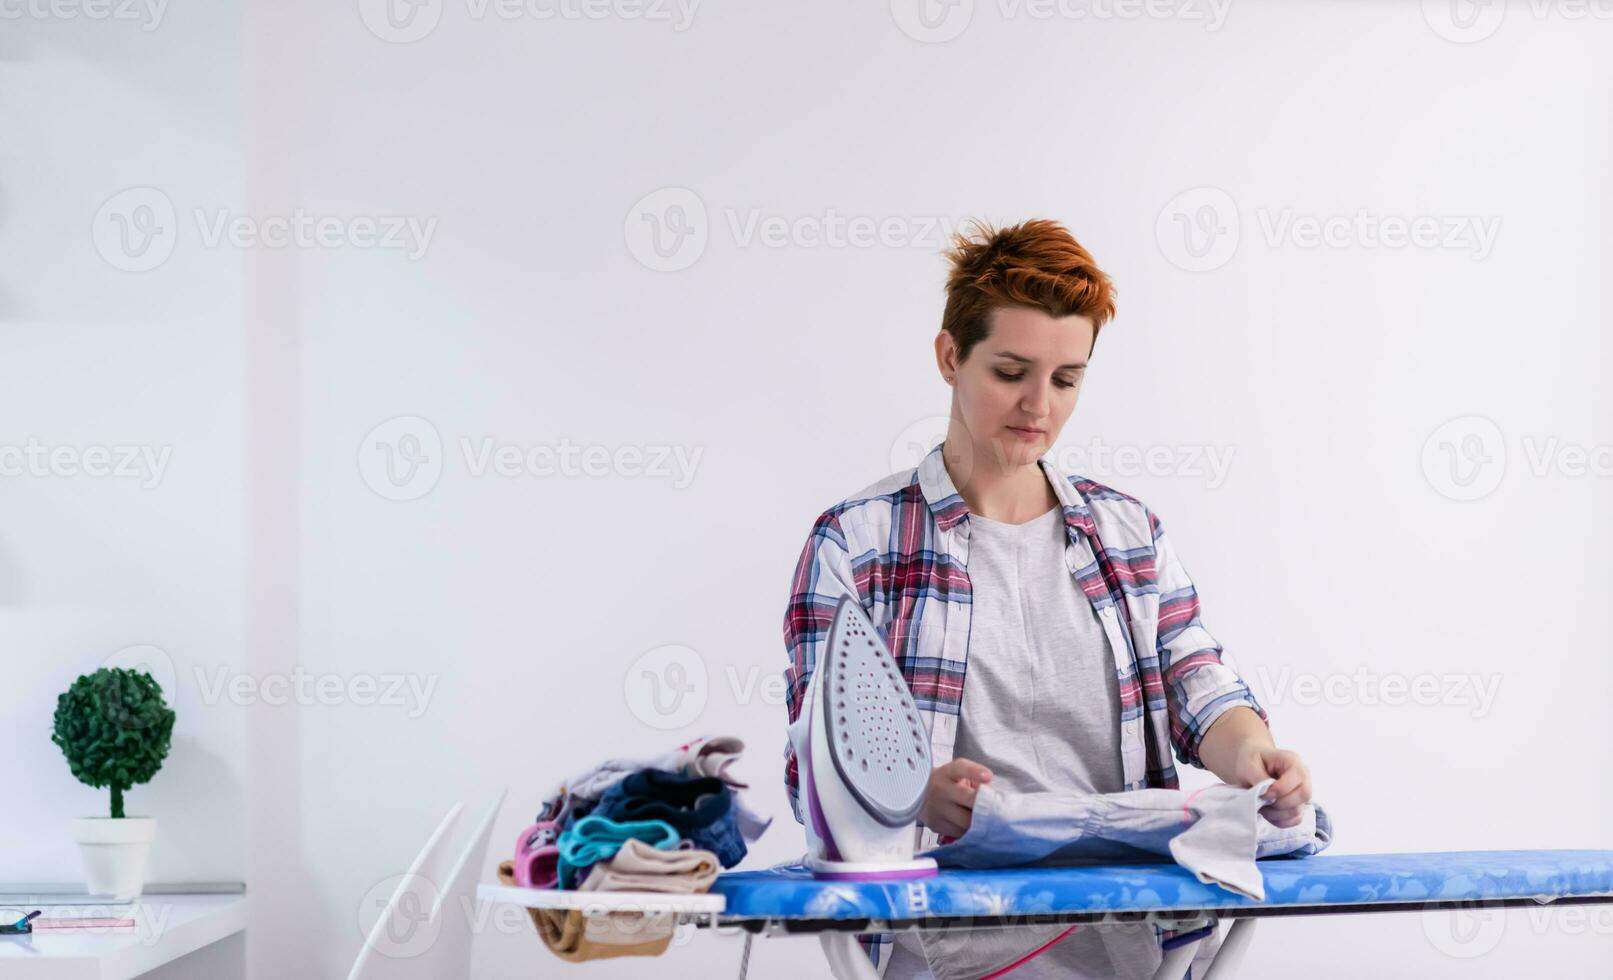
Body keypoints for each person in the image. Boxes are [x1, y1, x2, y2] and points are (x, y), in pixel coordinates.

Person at [781, 218, 1313, 978]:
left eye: (1065, 380)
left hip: (1129, 938)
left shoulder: (1128, 533)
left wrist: (1254, 755)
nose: (1038, 404)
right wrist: (916, 796)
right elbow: (816, 767)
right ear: (948, 357)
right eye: (1010, 371)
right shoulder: (857, 543)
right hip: (937, 942)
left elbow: (1196, 681)